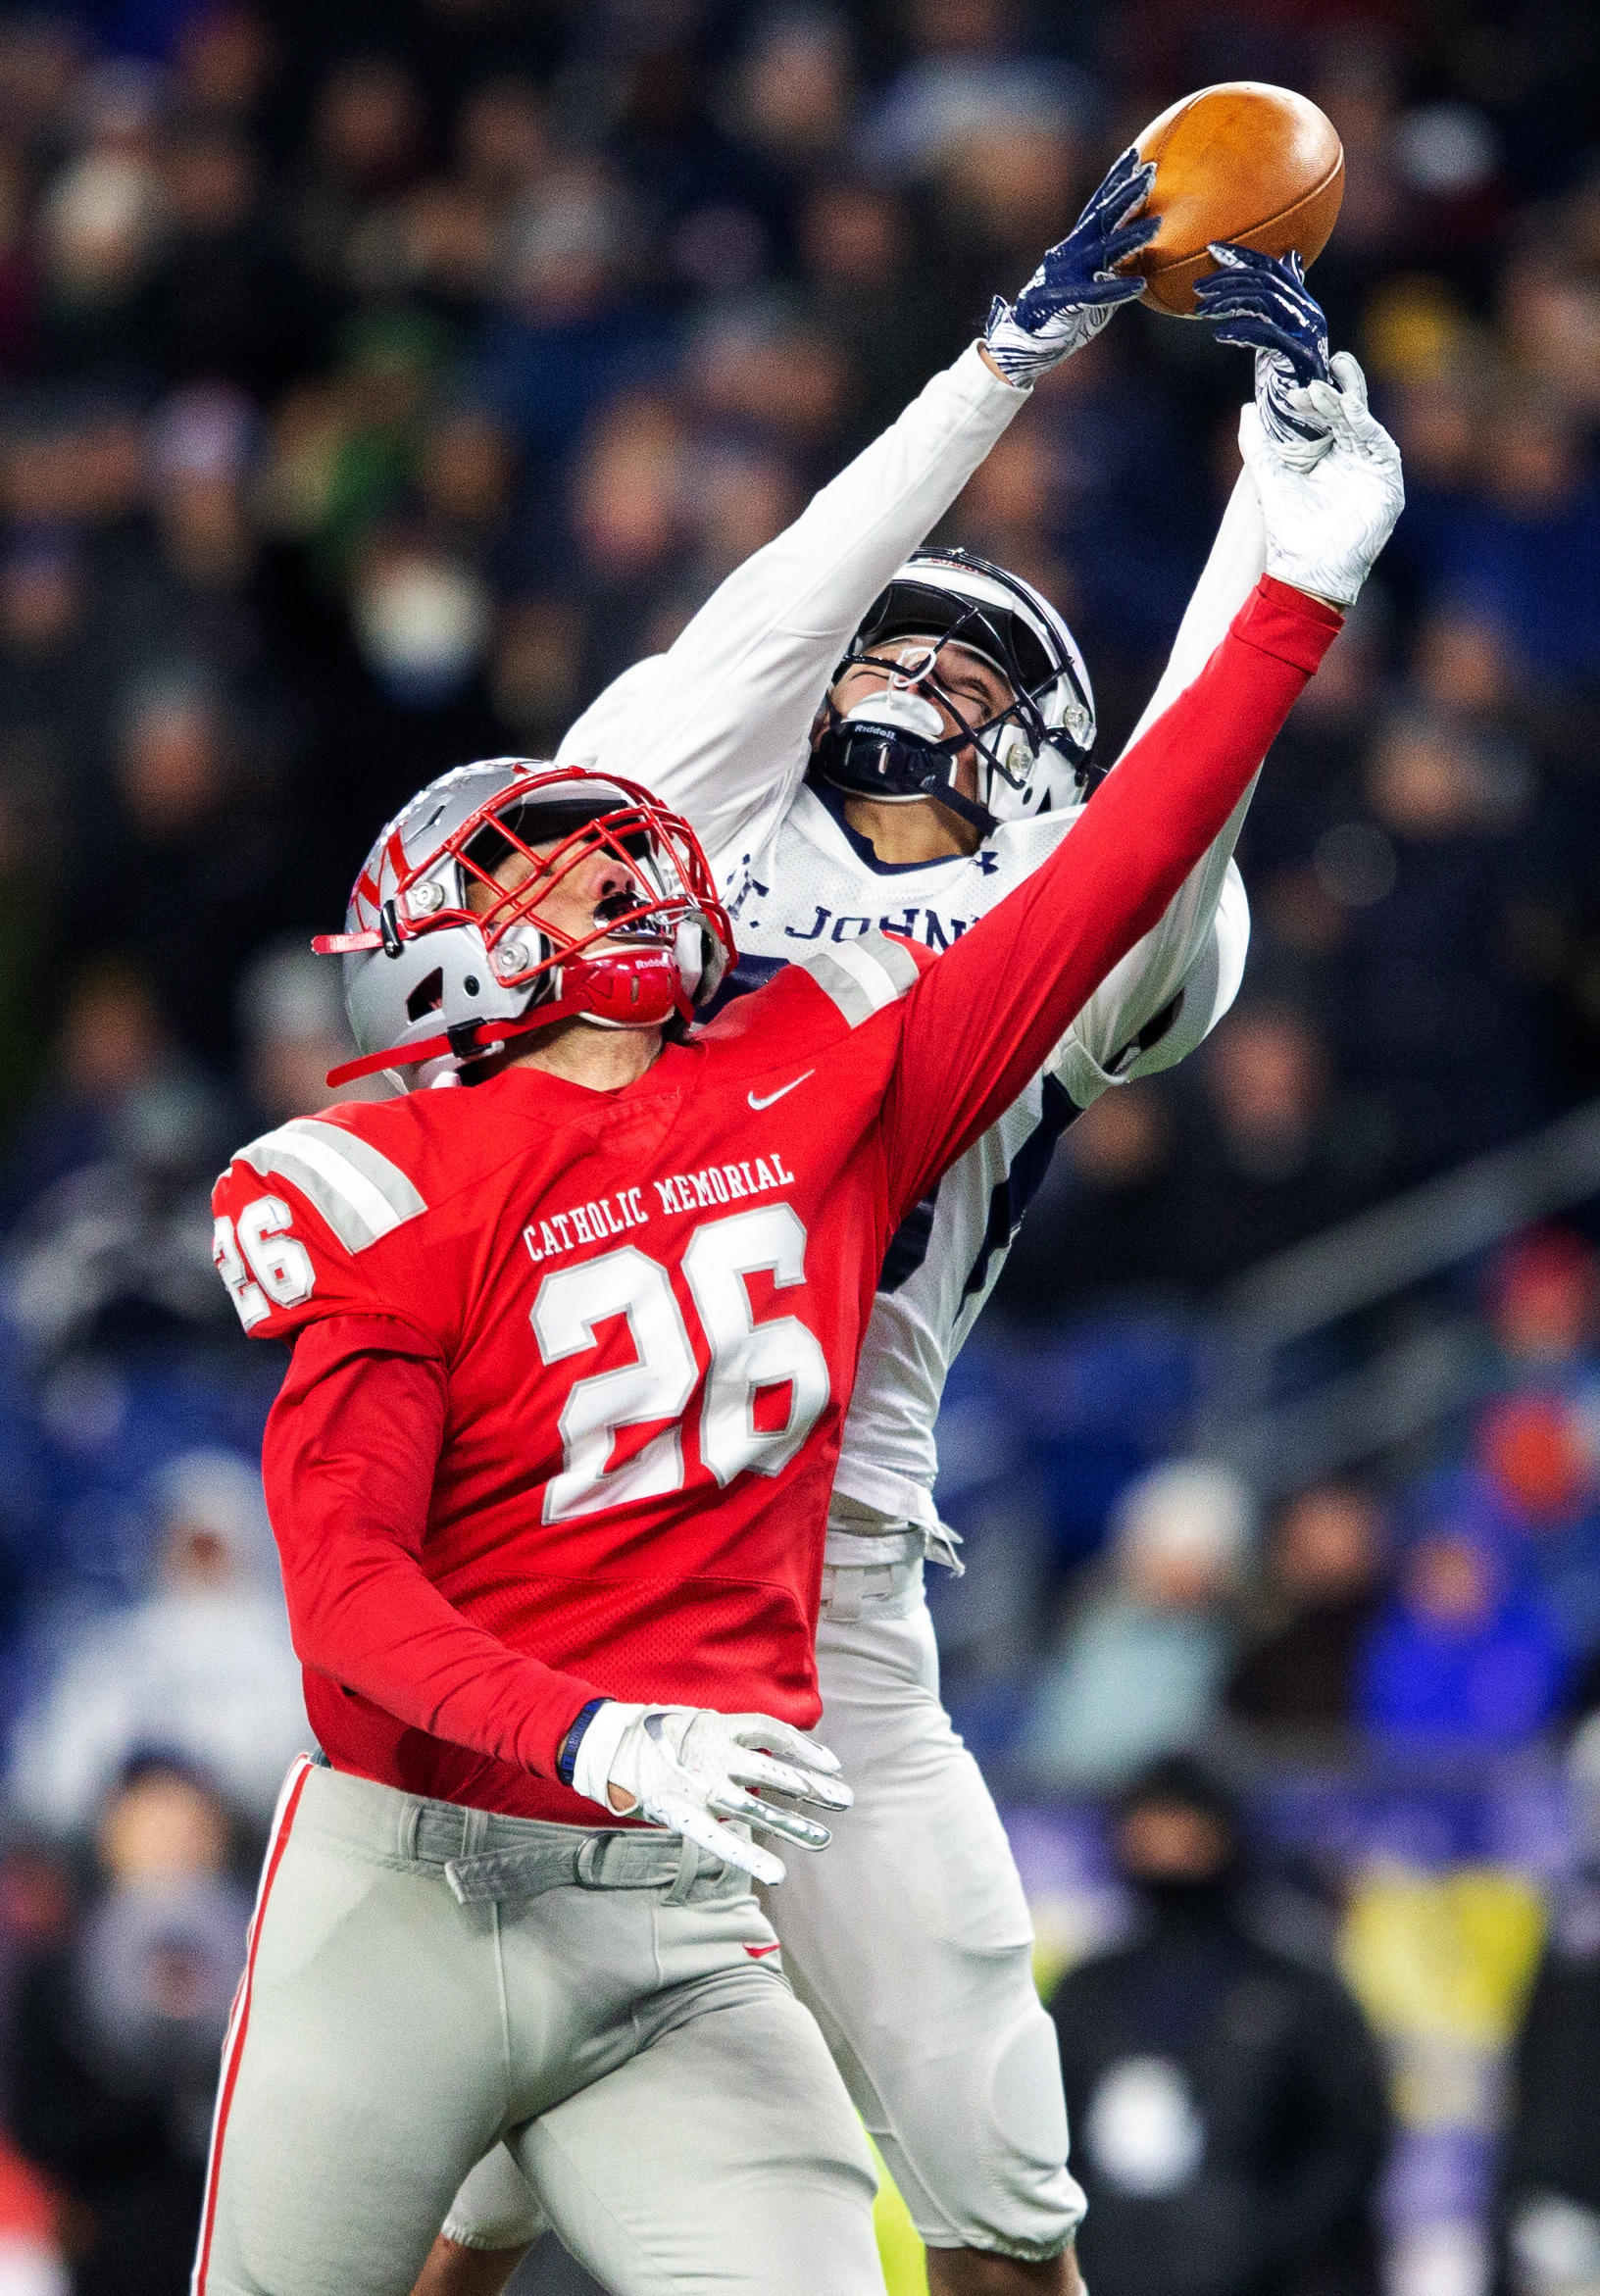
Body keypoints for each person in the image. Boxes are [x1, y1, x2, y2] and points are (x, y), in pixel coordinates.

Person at [194, 327, 1395, 2294]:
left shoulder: (917, 992)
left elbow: (1158, 840)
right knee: (451, 2195)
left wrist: (1282, 545)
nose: (904, 683)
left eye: (972, 670)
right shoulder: (670, 863)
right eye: (886, 648)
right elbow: (748, 645)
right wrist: (1006, 355)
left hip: (817, 1579)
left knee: (997, 2180)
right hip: (549, 1554)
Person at [1049, 1757, 1391, 2296]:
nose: (1165, 1843)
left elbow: (1351, 2142)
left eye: (1183, 1820)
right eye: (1149, 1820)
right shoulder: (1088, 1992)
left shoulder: (1294, 1986)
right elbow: (1049, 2142)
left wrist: (1255, 2244)